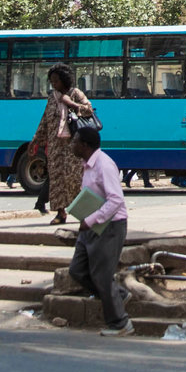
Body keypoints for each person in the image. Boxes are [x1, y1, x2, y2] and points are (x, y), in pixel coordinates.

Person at [63, 120, 132, 335]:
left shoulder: (104, 165)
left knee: (102, 275)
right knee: (78, 269)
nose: (71, 145)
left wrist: (91, 220)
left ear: (84, 145)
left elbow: (116, 200)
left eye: (74, 141)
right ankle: (118, 295)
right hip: (90, 226)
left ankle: (120, 323)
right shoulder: (87, 165)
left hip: (109, 225)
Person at [34, 65, 96, 226]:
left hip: (73, 146)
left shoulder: (76, 94)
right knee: (56, 180)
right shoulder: (51, 98)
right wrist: (35, 140)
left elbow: (89, 110)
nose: (53, 84)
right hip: (55, 146)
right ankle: (61, 213)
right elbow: (45, 121)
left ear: (64, 80)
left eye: (56, 81)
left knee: (75, 179)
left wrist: (72, 104)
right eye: (51, 81)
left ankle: (85, 213)